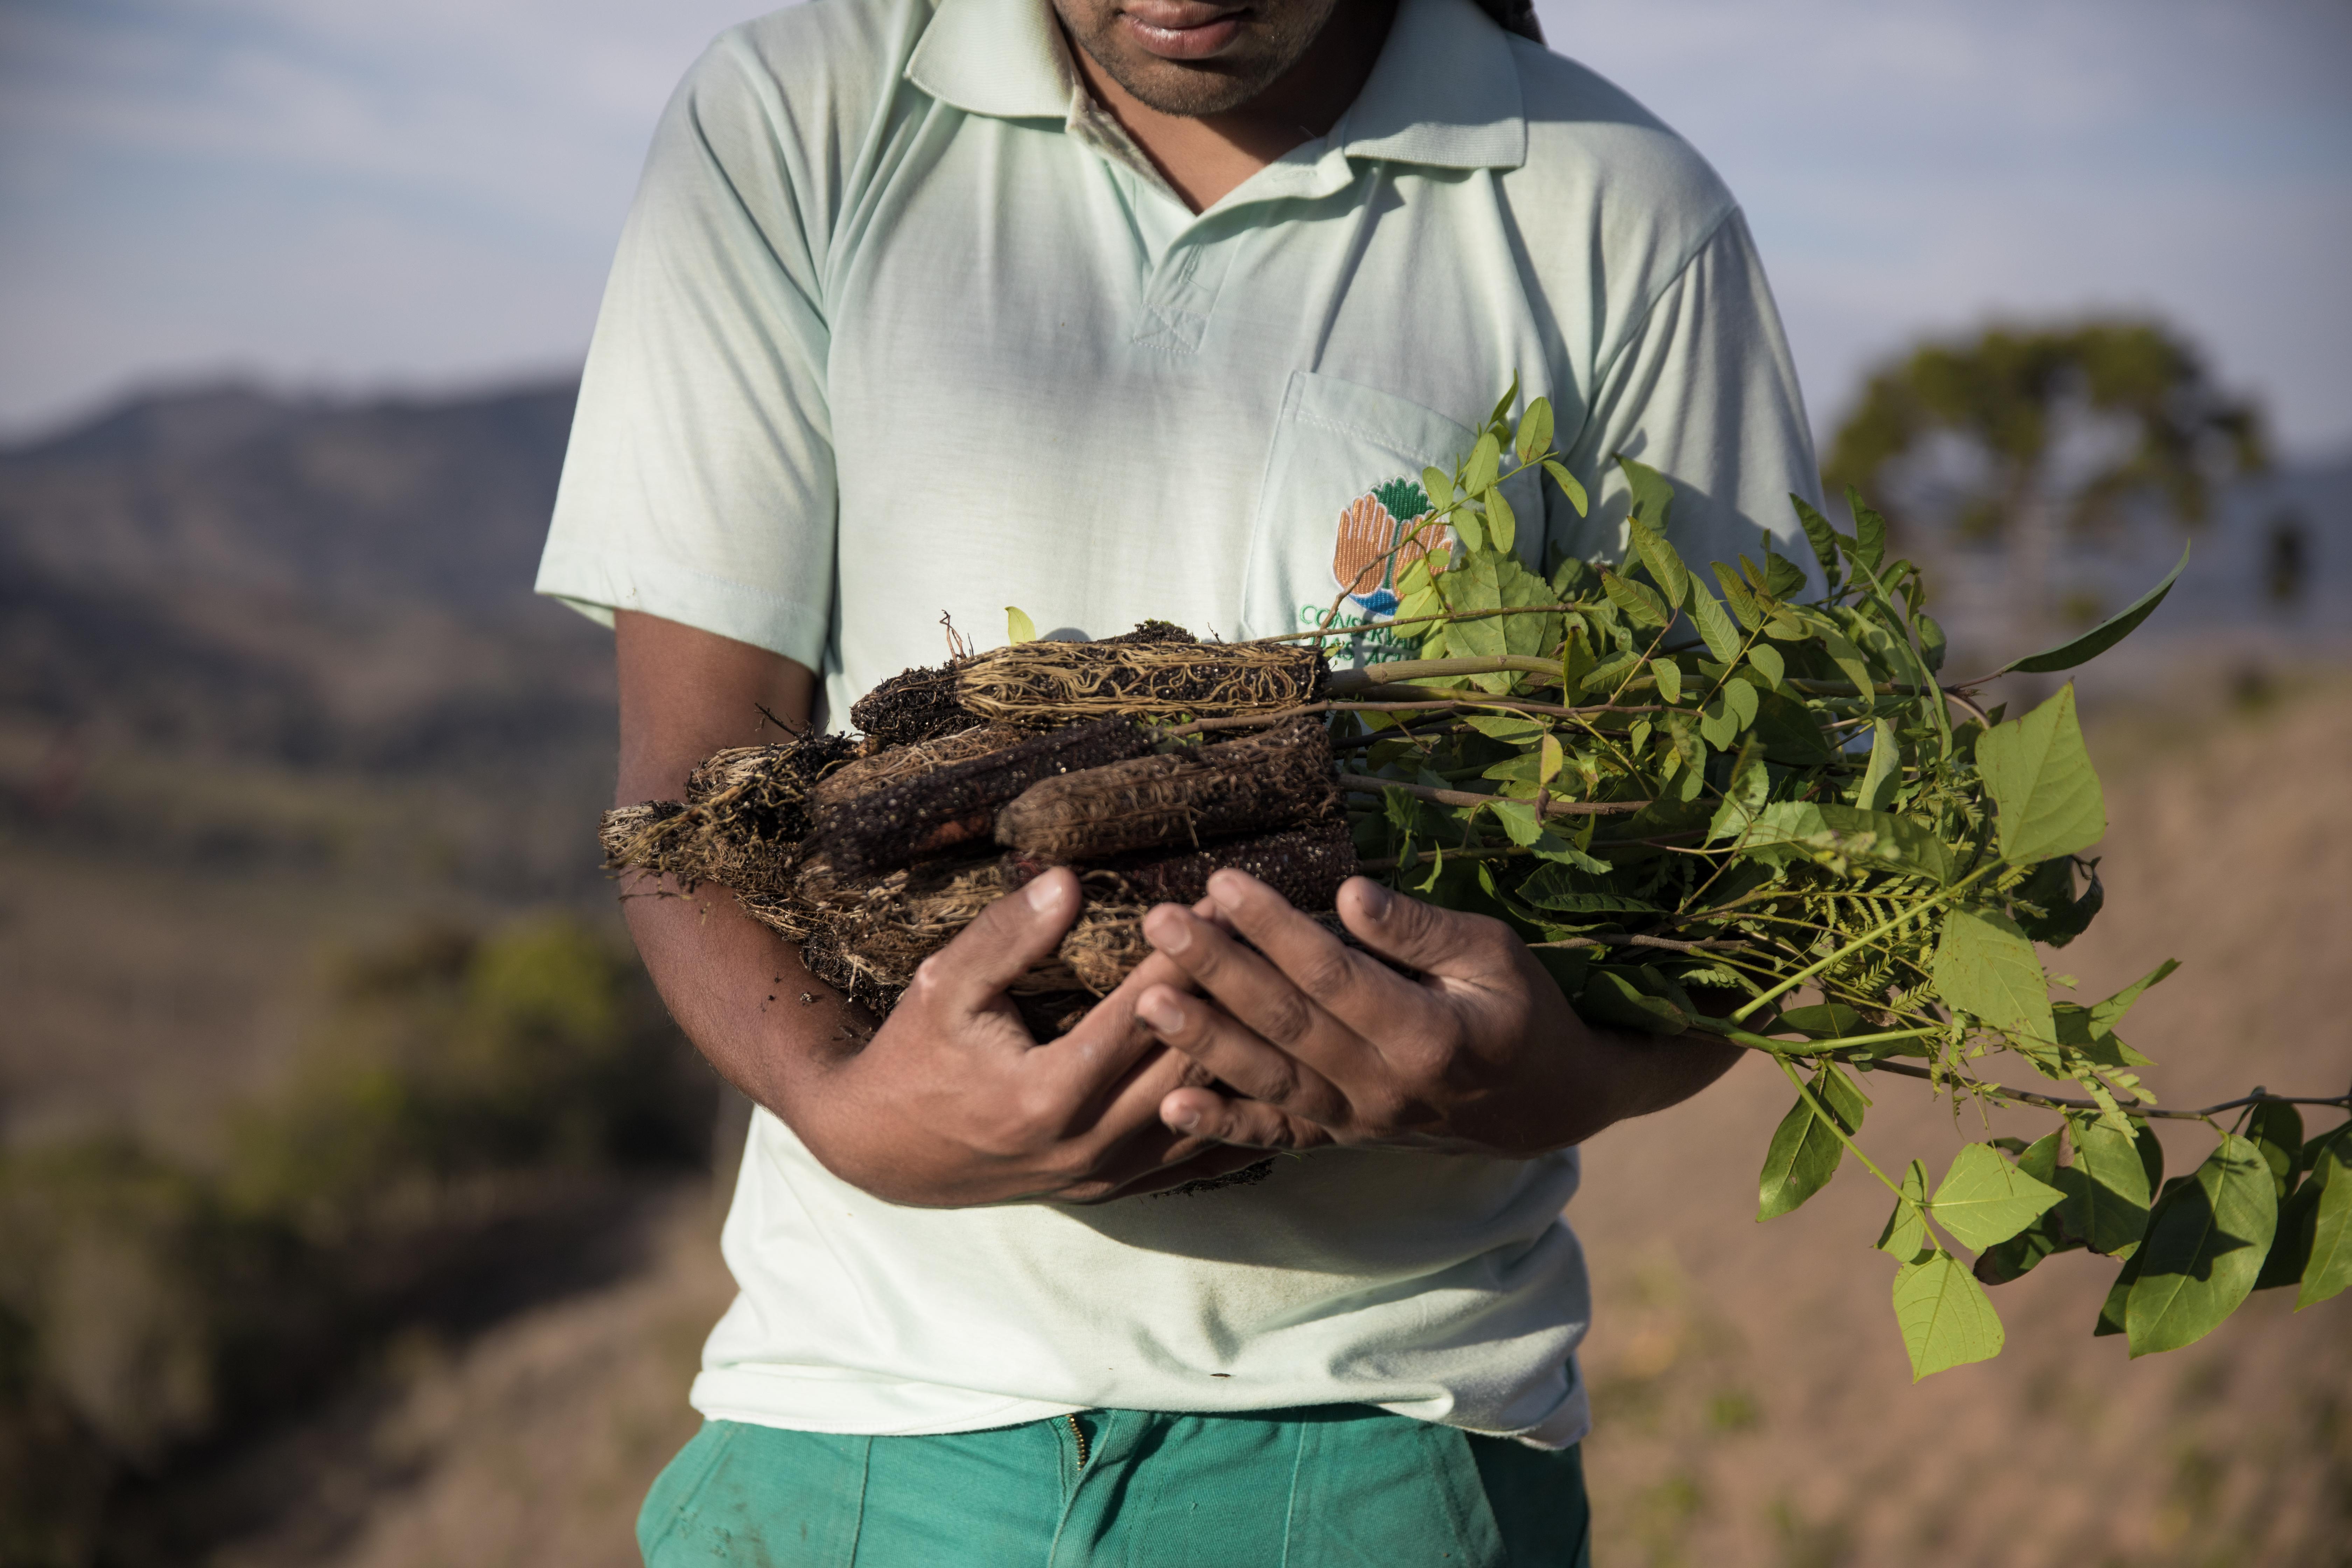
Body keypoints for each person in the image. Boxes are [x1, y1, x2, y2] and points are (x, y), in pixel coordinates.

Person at [536, 0, 1821, 1559]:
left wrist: (1531, 1082)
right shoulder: (801, 115)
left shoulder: (1617, 210)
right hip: (852, 1426)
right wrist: (854, 1113)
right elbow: (690, 774)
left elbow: (1739, 898)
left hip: (1376, 1446)